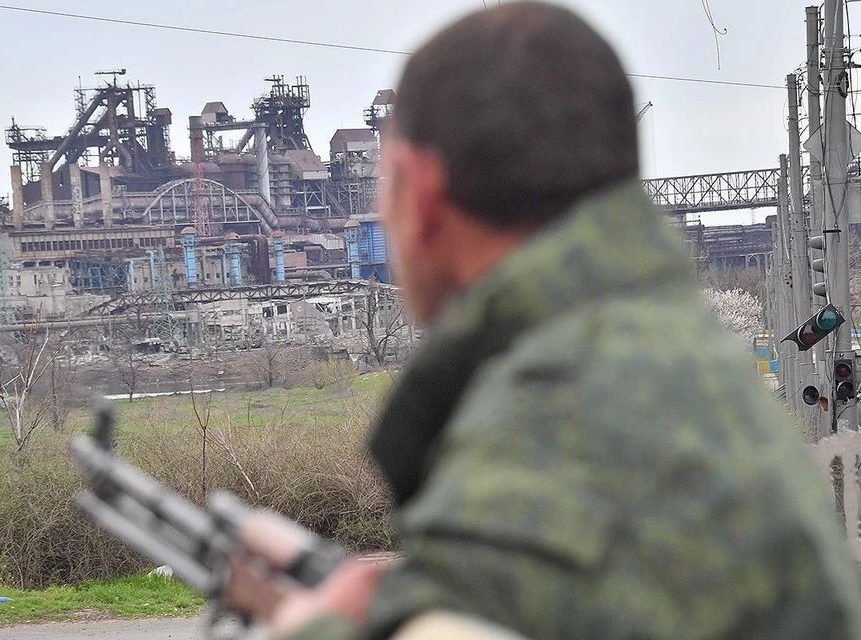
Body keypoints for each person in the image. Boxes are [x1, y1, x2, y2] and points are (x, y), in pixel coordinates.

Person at [266, 2, 861, 638]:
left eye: (383, 187)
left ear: (422, 192)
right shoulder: (685, 369)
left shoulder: (546, 415)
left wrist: (312, 626)